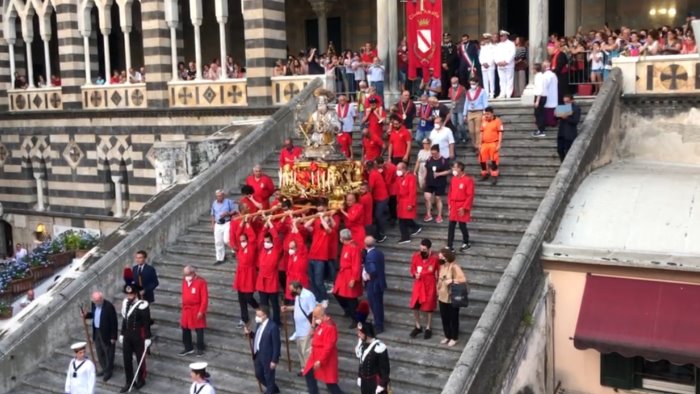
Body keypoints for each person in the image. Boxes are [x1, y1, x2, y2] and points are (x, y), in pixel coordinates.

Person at [119, 284, 152, 392]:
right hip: (128, 335)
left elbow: (147, 323)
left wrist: (147, 337)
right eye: (128, 294)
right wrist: (122, 333)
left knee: (140, 358)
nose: (129, 296)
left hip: (138, 335)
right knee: (126, 359)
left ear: (136, 293)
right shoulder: (125, 303)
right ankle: (129, 381)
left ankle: (141, 379)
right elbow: (125, 319)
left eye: (131, 294)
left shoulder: (143, 304)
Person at [303, 305, 343, 394]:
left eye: (316, 317)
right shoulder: (322, 324)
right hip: (316, 356)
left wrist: (320, 360)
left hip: (325, 358)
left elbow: (328, 347)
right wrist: (313, 324)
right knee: (308, 373)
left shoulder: (330, 327)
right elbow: (312, 334)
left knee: (331, 385)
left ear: (322, 315)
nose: (314, 318)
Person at [82, 291, 118, 382]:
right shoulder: (94, 305)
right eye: (95, 301)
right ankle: (104, 368)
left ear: (102, 298)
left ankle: (108, 371)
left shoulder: (109, 307)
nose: (97, 302)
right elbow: (95, 315)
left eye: (99, 300)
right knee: (99, 351)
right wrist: (86, 315)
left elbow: (114, 322)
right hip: (97, 331)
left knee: (108, 352)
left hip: (107, 333)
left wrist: (113, 337)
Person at [304, 200, 336, 304]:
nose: (324, 221)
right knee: (312, 281)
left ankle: (324, 298)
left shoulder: (330, 231)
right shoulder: (317, 229)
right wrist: (315, 217)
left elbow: (327, 227)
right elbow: (306, 226)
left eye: (326, 220)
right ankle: (317, 298)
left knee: (318, 281)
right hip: (311, 256)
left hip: (321, 258)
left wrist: (323, 217)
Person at [282, 281, 316, 375]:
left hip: (306, 327)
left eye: (292, 290)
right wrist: (287, 308)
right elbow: (297, 307)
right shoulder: (297, 296)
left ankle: (309, 369)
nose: (291, 292)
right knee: (300, 349)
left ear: (298, 288)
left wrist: (312, 327)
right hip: (299, 328)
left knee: (306, 349)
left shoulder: (308, 296)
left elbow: (314, 312)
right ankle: (303, 367)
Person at [409, 239, 440, 339]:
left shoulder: (435, 258)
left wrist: (438, 286)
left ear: (429, 249)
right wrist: (415, 274)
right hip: (419, 284)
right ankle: (418, 326)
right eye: (421, 248)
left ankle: (428, 327)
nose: (422, 251)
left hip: (430, 284)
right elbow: (413, 268)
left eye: (424, 249)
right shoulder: (416, 256)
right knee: (414, 305)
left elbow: (439, 273)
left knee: (429, 306)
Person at [245, 306, 281, 394]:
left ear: (265, 315)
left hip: (268, 356)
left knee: (269, 377)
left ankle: (270, 390)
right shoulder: (259, 324)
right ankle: (273, 388)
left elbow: (277, 345)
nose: (256, 317)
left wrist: (274, 360)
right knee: (259, 374)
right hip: (258, 354)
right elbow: (257, 337)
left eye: (259, 315)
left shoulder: (273, 327)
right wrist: (249, 333)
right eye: (257, 315)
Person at [437, 248, 467, 347]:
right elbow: (440, 279)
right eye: (439, 256)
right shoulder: (442, 266)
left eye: (441, 257)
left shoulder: (454, 267)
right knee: (444, 318)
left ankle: (454, 337)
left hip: (452, 297)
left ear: (446, 257)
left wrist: (452, 280)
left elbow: (463, 279)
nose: (440, 258)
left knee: (453, 318)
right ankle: (447, 335)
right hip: (442, 296)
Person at [333, 229, 363, 327]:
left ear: (342, 238)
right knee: (336, 293)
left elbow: (356, 264)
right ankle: (348, 310)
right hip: (343, 274)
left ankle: (355, 318)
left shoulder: (353, 247)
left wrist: (354, 279)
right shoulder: (346, 246)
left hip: (350, 275)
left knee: (351, 297)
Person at [233, 219, 260, 328]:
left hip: (249, 273)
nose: (242, 241)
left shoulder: (251, 246)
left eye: (244, 240)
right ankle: (244, 318)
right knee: (241, 299)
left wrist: (248, 225)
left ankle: (258, 308)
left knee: (248, 297)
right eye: (241, 240)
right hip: (240, 274)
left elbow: (253, 237)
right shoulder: (240, 247)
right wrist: (241, 224)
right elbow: (237, 234)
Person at [179, 265, 209, 357]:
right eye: (184, 274)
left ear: (193, 273)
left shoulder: (201, 282)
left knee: (199, 328)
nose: (185, 276)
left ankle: (200, 348)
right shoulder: (184, 281)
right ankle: (188, 348)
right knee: (185, 328)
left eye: (187, 274)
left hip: (196, 308)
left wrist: (201, 311)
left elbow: (204, 298)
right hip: (186, 309)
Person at [256, 223, 282, 325]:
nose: (266, 243)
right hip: (262, 281)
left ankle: (276, 322)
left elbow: (276, 239)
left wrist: (271, 226)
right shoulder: (262, 249)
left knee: (274, 304)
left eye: (268, 241)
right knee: (263, 304)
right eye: (265, 241)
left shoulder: (276, 250)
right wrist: (264, 227)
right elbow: (259, 240)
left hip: (271, 280)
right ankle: (265, 322)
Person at [355, 322, 391, 394]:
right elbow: (361, 362)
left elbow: (385, 369)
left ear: (367, 335)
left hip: (376, 382)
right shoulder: (362, 345)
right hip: (365, 382)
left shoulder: (379, 347)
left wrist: (382, 384)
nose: (358, 335)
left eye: (361, 333)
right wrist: (360, 375)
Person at [447, 162, 475, 251]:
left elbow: (470, 195)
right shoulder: (453, 179)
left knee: (462, 225)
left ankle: (466, 242)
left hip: (462, 205)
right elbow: (450, 192)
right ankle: (449, 245)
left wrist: (464, 207)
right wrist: (449, 204)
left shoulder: (468, 180)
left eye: (455, 168)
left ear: (460, 169)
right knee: (451, 225)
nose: (453, 170)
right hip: (454, 204)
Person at [363, 236, 387, 334]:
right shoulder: (379, 253)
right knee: (378, 304)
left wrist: (368, 273)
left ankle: (379, 325)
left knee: (375, 305)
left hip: (373, 284)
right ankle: (379, 322)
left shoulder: (369, 256)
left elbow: (372, 269)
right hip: (380, 282)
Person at [423, 144, 451, 223]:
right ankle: (428, 214)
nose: (433, 155)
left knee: (438, 198)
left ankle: (439, 215)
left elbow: (448, 171)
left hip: (440, 182)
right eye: (432, 153)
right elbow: (426, 168)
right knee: (426, 197)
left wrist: (439, 174)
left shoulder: (443, 160)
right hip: (429, 181)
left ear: (438, 152)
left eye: (435, 153)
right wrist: (424, 178)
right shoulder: (429, 159)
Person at [396, 162, 422, 244]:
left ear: (404, 169)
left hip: (407, 200)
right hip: (401, 201)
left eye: (399, 169)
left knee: (402, 220)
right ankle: (415, 228)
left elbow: (412, 192)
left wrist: (411, 203)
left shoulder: (410, 177)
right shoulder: (400, 178)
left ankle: (405, 237)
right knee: (404, 219)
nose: (397, 171)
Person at [210, 190, 237, 265]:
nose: (219, 197)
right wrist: (213, 224)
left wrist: (228, 213)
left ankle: (235, 250)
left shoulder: (228, 202)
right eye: (217, 196)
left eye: (220, 196)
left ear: (223, 196)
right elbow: (213, 214)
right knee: (218, 242)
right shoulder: (214, 203)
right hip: (218, 224)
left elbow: (234, 211)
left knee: (226, 239)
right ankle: (220, 258)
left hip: (227, 222)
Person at [463, 77, 489, 152]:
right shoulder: (468, 91)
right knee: (471, 131)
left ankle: (478, 146)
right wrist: (464, 114)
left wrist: (485, 112)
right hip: (470, 112)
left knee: (478, 130)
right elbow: (466, 103)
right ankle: (474, 144)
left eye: (473, 84)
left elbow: (485, 102)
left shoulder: (482, 91)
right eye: (471, 84)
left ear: (477, 83)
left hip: (478, 111)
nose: (472, 85)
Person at [366, 161, 389, 243]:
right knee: (378, 216)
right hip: (381, 197)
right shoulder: (375, 172)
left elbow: (371, 188)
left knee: (378, 216)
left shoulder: (372, 174)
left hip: (381, 198)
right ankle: (380, 232)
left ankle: (381, 233)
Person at [479, 107, 503, 185]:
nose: (486, 116)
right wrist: (480, 143)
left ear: (492, 113)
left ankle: (494, 176)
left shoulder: (498, 121)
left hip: (493, 143)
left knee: (494, 160)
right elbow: (481, 132)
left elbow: (500, 133)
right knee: (482, 160)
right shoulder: (483, 120)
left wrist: (499, 144)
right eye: (485, 114)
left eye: (488, 114)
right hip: (484, 143)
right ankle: (484, 174)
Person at [556, 94, 581, 162]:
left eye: (567, 101)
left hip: (570, 133)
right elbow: (557, 118)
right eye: (564, 101)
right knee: (560, 150)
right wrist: (556, 115)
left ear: (572, 100)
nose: (566, 103)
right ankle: (562, 164)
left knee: (568, 151)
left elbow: (575, 121)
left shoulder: (576, 108)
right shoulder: (563, 107)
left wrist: (566, 118)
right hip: (561, 132)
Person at [494, 30, 516, 99]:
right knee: (502, 80)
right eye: (500, 36)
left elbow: (512, 54)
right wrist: (497, 62)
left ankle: (508, 94)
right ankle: (502, 93)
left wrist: (506, 61)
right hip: (500, 65)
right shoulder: (498, 45)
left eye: (502, 36)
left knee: (509, 79)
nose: (501, 37)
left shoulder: (511, 44)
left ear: (506, 36)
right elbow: (495, 54)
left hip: (508, 65)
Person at [448, 77, 467, 144]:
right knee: (453, 125)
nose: (453, 84)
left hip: (461, 108)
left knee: (461, 124)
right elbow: (451, 98)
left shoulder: (462, 88)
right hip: (453, 109)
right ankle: (456, 138)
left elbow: (466, 98)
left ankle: (464, 137)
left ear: (458, 82)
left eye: (455, 83)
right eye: (452, 83)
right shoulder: (450, 89)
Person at [336, 94, 356, 159]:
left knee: (348, 143)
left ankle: (349, 156)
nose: (342, 101)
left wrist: (351, 123)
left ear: (346, 100)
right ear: (338, 101)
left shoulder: (350, 106)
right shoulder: (336, 107)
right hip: (339, 129)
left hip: (348, 127)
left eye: (343, 100)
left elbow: (354, 116)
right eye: (340, 100)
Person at [531, 63, 547, 138]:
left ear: (535, 69)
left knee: (539, 114)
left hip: (539, 97)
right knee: (539, 113)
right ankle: (540, 129)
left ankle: (541, 130)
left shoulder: (539, 77)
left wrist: (537, 100)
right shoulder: (540, 76)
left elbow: (539, 89)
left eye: (532, 69)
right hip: (541, 96)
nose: (532, 70)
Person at [479, 33, 496, 99]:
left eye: (487, 39)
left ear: (490, 39)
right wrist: (482, 63)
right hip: (483, 66)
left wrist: (488, 63)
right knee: (485, 80)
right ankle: (486, 93)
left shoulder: (493, 47)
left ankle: (492, 93)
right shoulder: (483, 47)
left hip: (490, 66)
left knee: (491, 80)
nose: (486, 40)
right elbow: (480, 56)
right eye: (485, 39)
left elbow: (493, 56)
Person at [542, 61, 559, 128]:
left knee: (549, 111)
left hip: (548, 96)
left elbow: (544, 85)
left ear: (544, 67)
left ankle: (550, 123)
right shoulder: (554, 74)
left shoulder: (546, 75)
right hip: (554, 95)